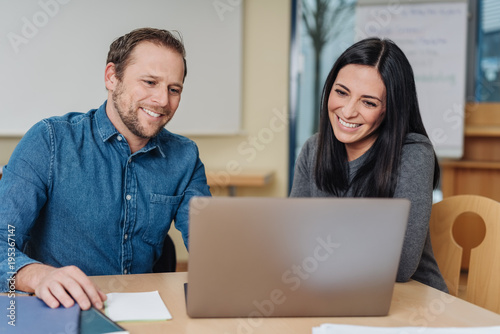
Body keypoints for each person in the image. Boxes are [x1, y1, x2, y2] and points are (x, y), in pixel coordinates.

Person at [0, 28, 211, 310]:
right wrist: (37, 276)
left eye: (174, 89)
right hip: (60, 311)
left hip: (143, 315)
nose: (163, 100)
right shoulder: (49, 140)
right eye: (150, 82)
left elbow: (210, 245)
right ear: (112, 77)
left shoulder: (184, 156)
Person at [290, 37, 448, 292]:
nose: (348, 111)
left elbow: (400, 266)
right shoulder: (313, 149)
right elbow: (292, 243)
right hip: (331, 291)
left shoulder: (413, 153)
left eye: (368, 102)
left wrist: (317, 248)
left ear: (390, 109)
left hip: (410, 299)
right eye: (341, 92)